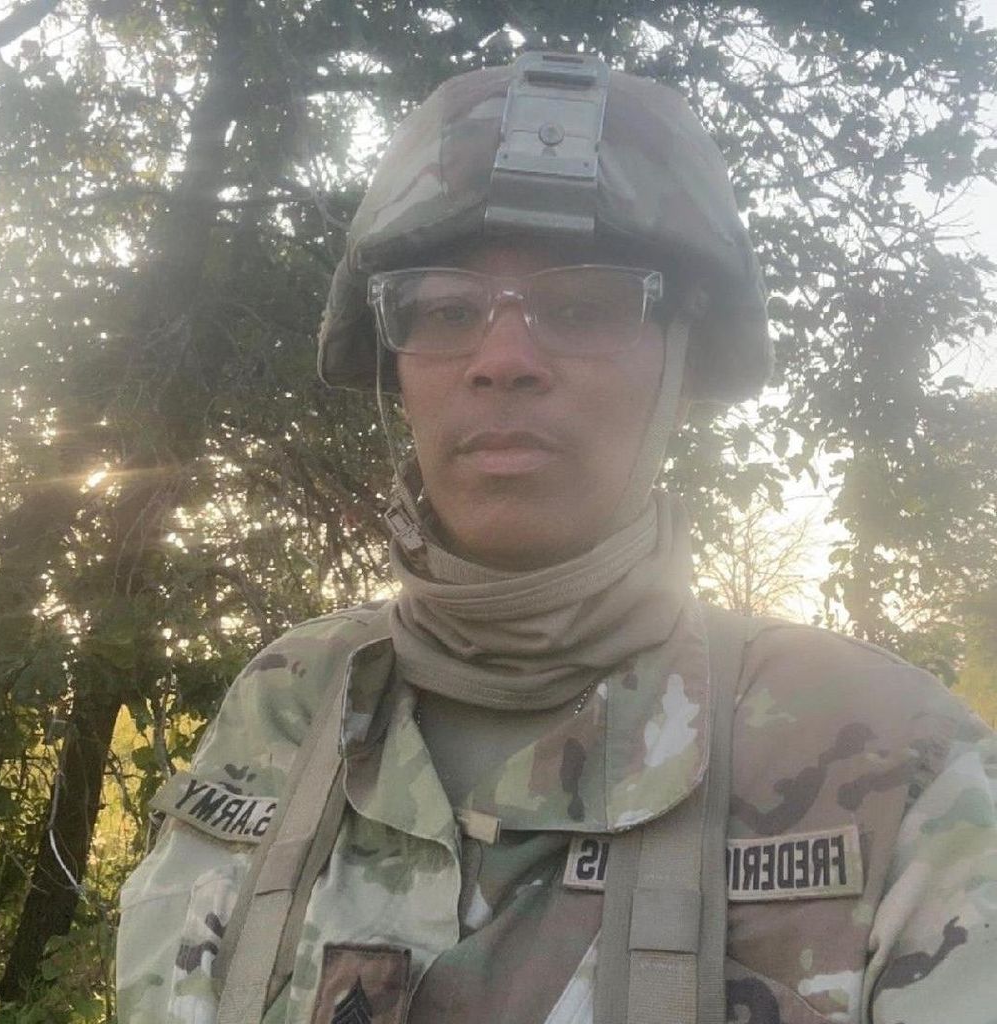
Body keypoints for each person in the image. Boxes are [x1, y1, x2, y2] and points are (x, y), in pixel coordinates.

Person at [116, 52, 997, 1024]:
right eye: (446, 309)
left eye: (584, 307)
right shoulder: (286, 700)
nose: (503, 359)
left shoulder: (889, 759)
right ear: (394, 362)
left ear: (681, 362)